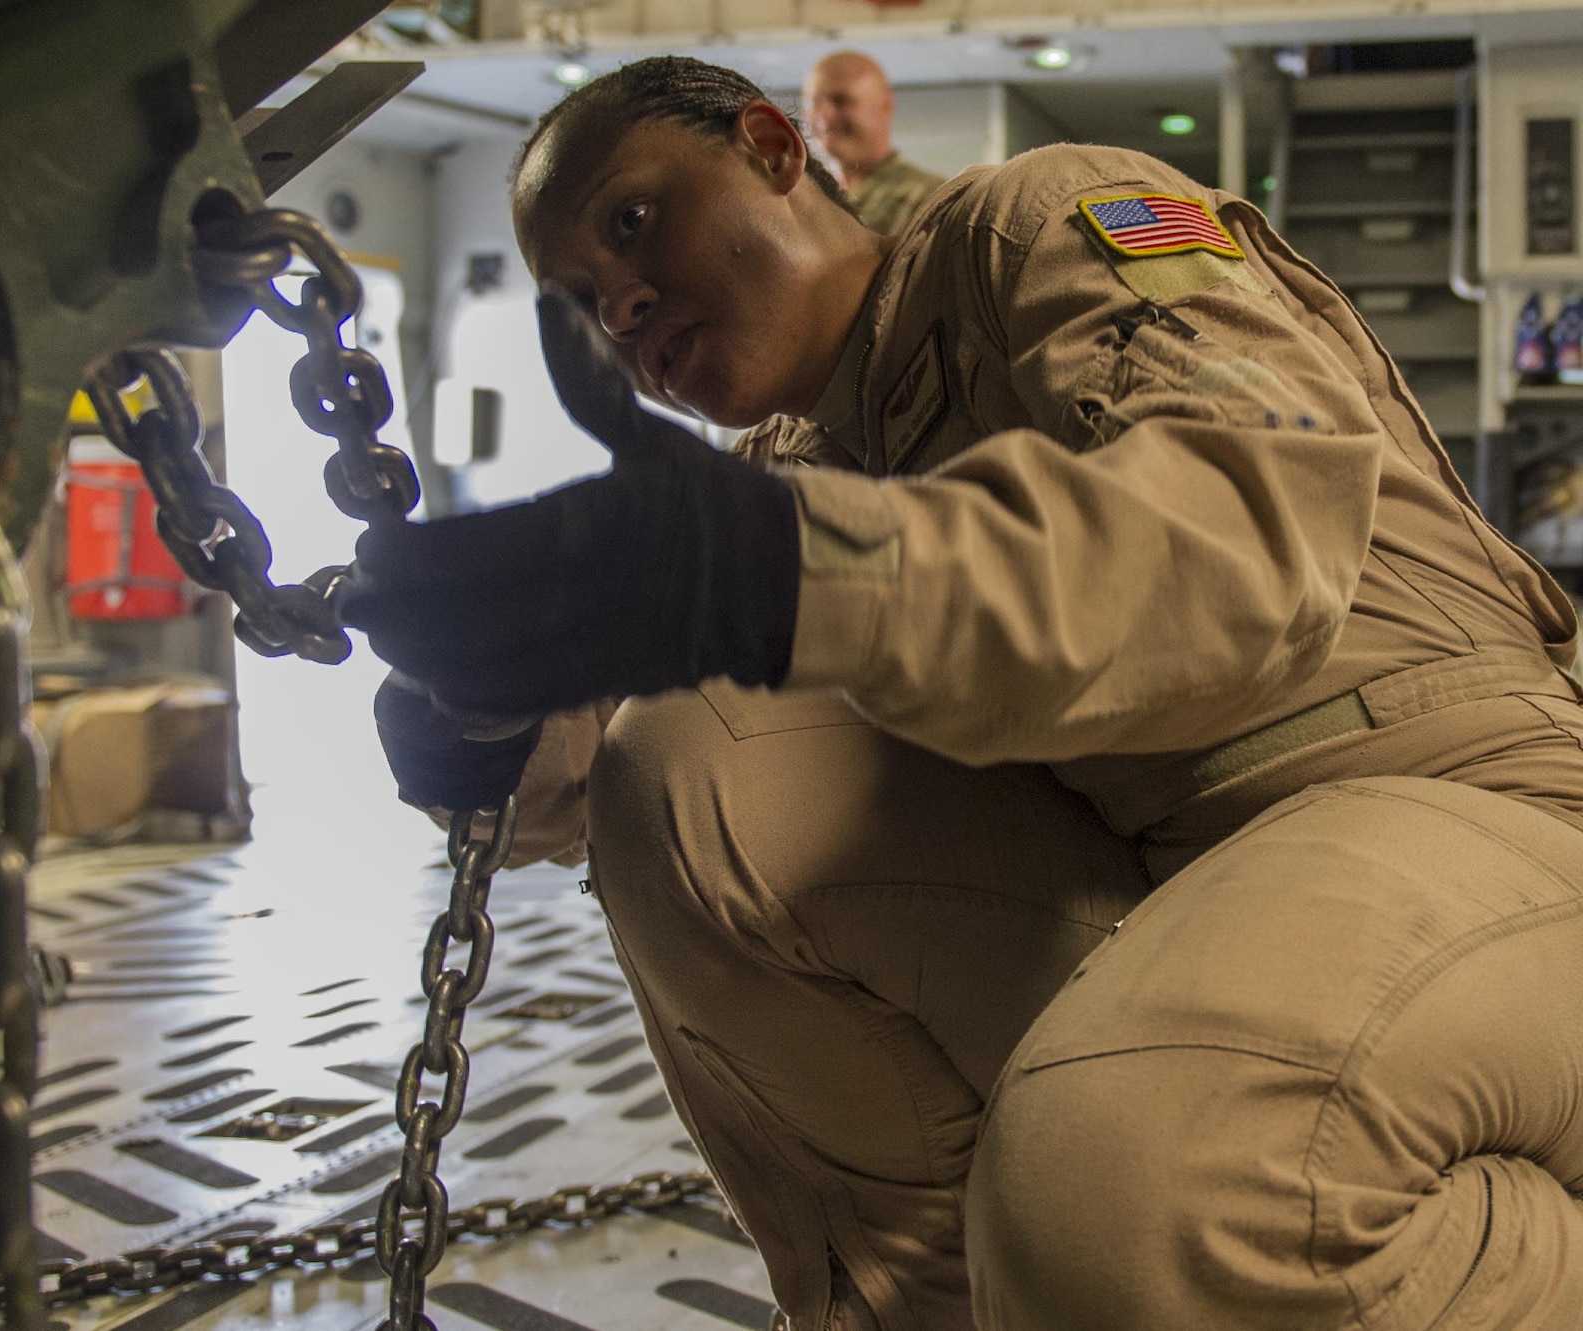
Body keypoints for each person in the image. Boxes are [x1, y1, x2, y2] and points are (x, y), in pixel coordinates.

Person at [344, 54, 1583, 1331]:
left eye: (632, 220)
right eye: (582, 300)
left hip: (1461, 796)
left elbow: (1245, 543)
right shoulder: (777, 471)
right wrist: (487, 713)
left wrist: (769, 569)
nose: (623, 305)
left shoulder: (1040, 221)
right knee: (682, 766)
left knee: (1149, 1180)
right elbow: (589, 783)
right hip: (1168, 868)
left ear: (770, 146)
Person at [802, 50, 944, 237]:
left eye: (841, 101)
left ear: (886, 106)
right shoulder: (805, 196)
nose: (824, 116)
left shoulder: (929, 199)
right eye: (815, 102)